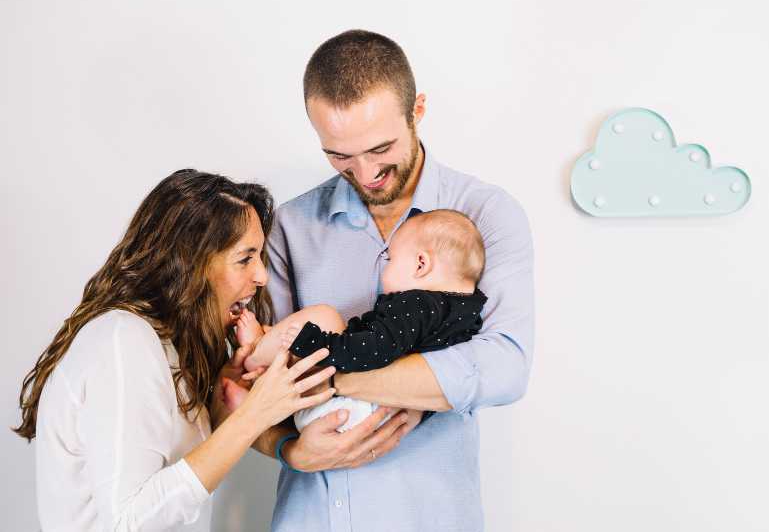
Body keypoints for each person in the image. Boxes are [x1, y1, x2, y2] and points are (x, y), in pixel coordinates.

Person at [257, 30, 535, 532]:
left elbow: (504, 366)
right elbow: (251, 387)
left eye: (380, 148)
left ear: (417, 110)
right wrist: (287, 449)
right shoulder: (291, 226)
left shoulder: (485, 214)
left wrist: (341, 378)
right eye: (339, 156)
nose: (365, 173)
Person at [14, 169, 338, 531]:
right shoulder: (123, 340)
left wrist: (220, 413)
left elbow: (170, 489)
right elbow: (127, 522)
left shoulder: (167, 350)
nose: (262, 276)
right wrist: (253, 416)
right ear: (190, 264)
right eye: (245, 258)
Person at [227, 209, 488, 433]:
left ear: (421, 264)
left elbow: (372, 350)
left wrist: (312, 341)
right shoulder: (465, 315)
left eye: (390, 260)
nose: (384, 270)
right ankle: (257, 386)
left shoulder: (416, 304)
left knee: (324, 318)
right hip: (391, 415)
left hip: (358, 407)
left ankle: (256, 357)